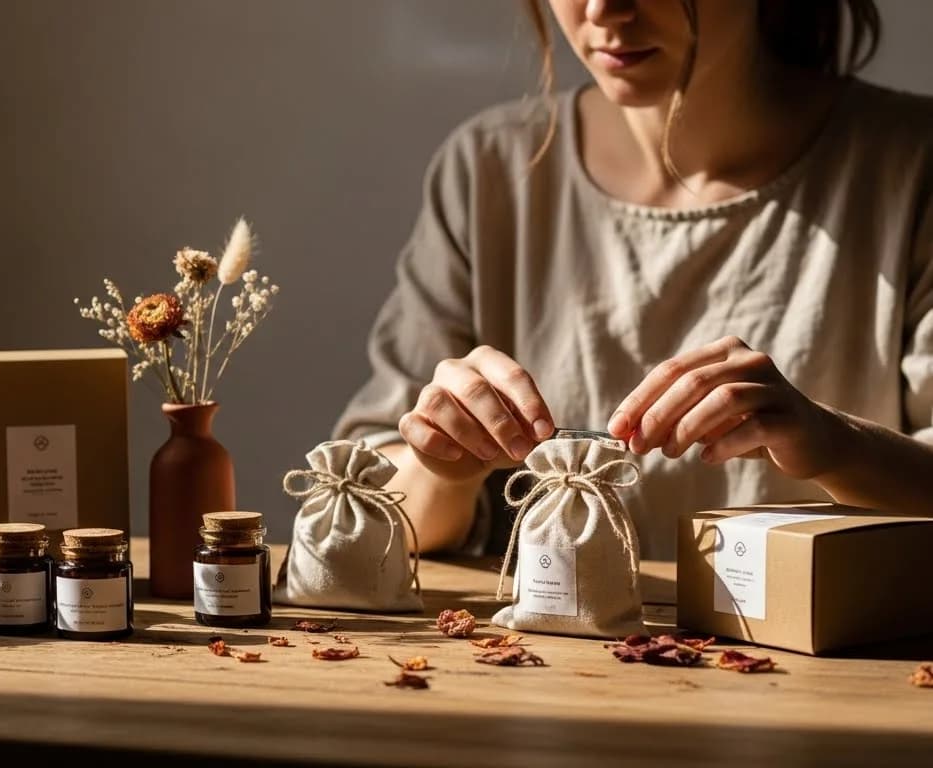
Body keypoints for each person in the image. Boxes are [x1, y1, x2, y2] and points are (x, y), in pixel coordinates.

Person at [334, 0, 933, 560]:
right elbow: (368, 506)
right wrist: (444, 467)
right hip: (546, 666)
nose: (603, 9)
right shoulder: (489, 171)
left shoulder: (910, 167)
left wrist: (838, 445)